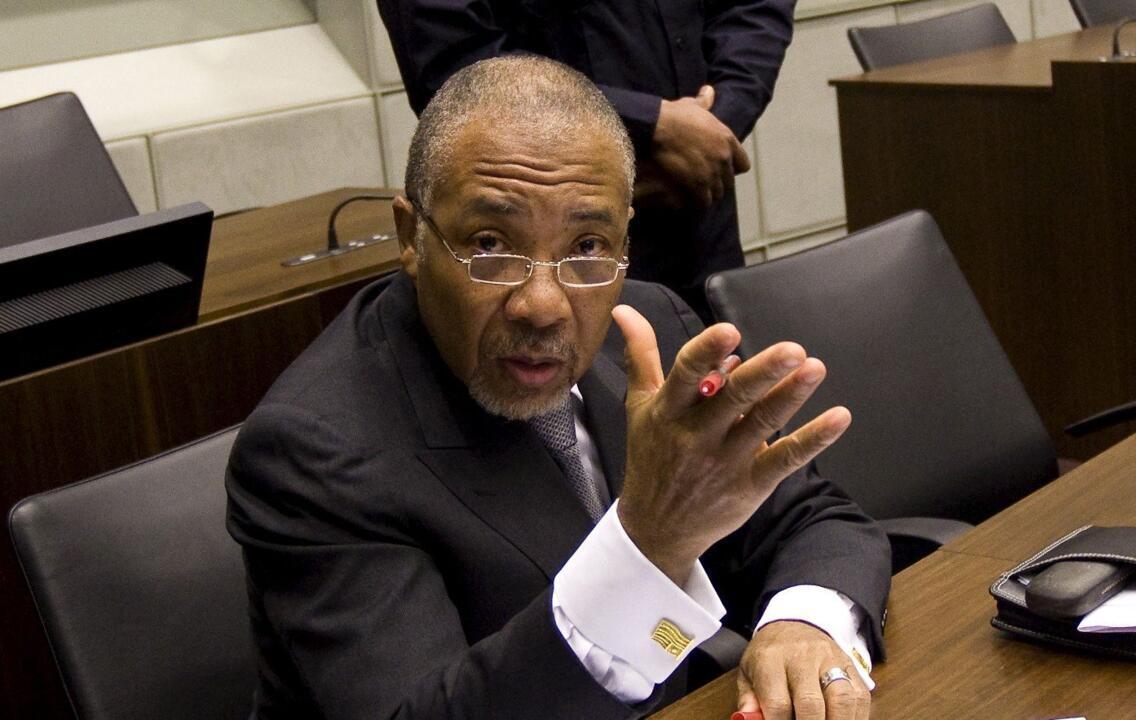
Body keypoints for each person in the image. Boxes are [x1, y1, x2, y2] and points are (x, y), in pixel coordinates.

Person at [226, 56, 889, 719]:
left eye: (588, 246)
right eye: (490, 243)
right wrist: (648, 543)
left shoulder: (650, 324)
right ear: (411, 237)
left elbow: (810, 519)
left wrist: (802, 622)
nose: (542, 305)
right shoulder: (314, 450)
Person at [375, 0, 796, 322]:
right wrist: (656, 125)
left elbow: (754, 8)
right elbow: (454, 66)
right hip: (536, 252)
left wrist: (717, 125)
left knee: (716, 394)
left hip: (698, 215)